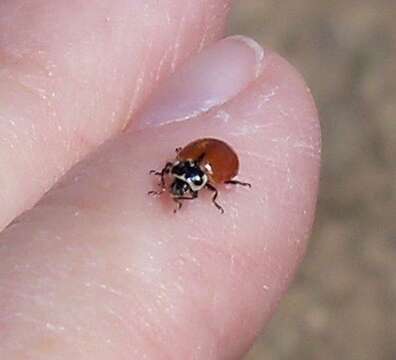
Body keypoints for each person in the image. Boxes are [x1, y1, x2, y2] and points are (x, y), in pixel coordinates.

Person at [0, 1, 320, 358]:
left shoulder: (201, 172)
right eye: (179, 186)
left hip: (209, 154)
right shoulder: (186, 167)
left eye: (182, 187)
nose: (178, 190)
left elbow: (206, 172)